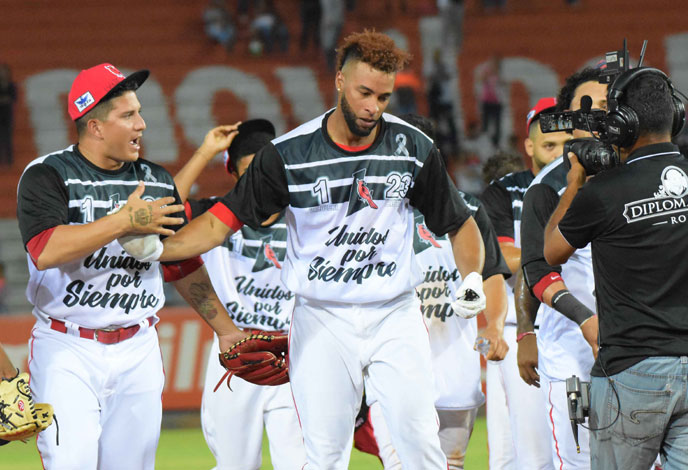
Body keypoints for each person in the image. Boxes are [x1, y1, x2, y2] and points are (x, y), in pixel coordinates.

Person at [155, 30, 486, 470]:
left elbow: (459, 222)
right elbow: (220, 224)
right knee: (325, 454)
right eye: (364, 92)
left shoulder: (413, 147)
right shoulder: (288, 154)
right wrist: (161, 249)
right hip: (321, 317)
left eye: (384, 97)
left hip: (395, 314)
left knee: (421, 443)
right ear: (338, 81)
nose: (373, 107)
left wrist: (472, 279)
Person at [15, 63, 247, 469]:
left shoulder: (155, 180)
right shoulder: (48, 174)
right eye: (128, 115)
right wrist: (124, 221)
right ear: (95, 126)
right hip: (67, 347)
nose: (141, 123)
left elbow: (179, 263)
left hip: (138, 347)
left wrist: (226, 330)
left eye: (139, 112)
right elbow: (45, 249)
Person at [543, 67, 688, 470]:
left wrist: (577, 177)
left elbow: (552, 251)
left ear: (621, 124)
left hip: (633, 369)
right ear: (676, 115)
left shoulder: (604, 193)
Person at [358, 112, 510, 470]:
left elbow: (492, 274)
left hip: (455, 369)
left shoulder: (469, 209)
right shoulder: (372, 212)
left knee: (451, 464)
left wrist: (494, 326)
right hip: (391, 366)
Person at [173, 119, 306, 470]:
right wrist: (205, 152)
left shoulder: (305, 218)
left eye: (266, 172)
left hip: (295, 356)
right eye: (249, 173)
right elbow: (163, 212)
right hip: (235, 356)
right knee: (235, 465)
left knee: (303, 464)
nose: (258, 184)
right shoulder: (212, 217)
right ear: (232, 172)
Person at [519, 68, 608, 469]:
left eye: (607, 107)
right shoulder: (544, 188)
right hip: (572, 346)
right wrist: (586, 320)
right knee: (580, 463)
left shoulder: (634, 175)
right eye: (588, 107)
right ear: (570, 118)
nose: (598, 116)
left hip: (637, 341)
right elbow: (536, 271)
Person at [479, 97, 571, 470]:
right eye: (549, 146)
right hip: (521, 328)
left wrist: (530, 254)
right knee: (525, 451)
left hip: (570, 322)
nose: (559, 154)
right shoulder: (507, 191)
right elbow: (501, 258)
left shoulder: (582, 186)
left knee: (564, 445)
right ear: (530, 147)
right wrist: (554, 253)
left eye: (567, 144)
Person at [0, 63, 17, 166]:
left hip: (7, 115)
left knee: (8, 137)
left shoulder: (11, 85)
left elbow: (13, 98)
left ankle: (9, 160)